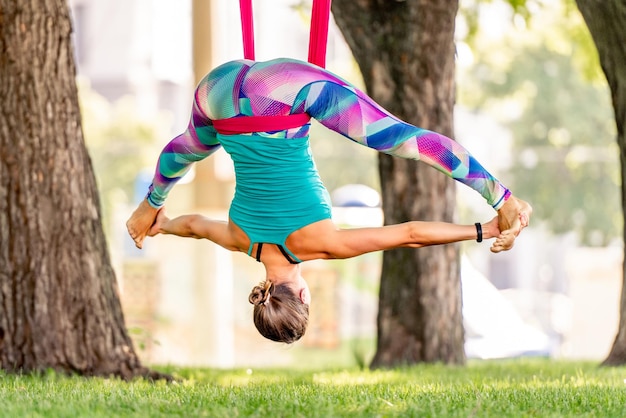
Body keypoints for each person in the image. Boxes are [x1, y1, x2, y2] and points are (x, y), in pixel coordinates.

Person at [126, 57, 532, 344]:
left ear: (303, 297)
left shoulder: (324, 246)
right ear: (263, 291)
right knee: (194, 144)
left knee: (404, 141)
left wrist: (484, 228)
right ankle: (149, 200)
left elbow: (411, 234)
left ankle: (500, 195)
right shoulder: (238, 238)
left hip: (282, 92)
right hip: (219, 91)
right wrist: (159, 220)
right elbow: (194, 226)